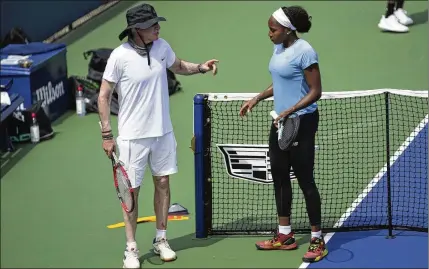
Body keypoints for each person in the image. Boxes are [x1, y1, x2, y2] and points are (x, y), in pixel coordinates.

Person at [97, 3, 218, 268]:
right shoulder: (119, 56)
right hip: (132, 137)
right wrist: (107, 134)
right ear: (137, 30)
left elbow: (178, 66)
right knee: (132, 192)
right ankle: (131, 248)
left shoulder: (162, 47)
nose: (158, 28)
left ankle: (161, 240)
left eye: (157, 24)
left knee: (162, 183)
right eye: (153, 25)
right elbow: (104, 96)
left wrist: (200, 67)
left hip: (162, 133)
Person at [239, 6, 327, 263]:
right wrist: (257, 97)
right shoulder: (279, 47)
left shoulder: (305, 51)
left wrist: (291, 109)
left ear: (288, 30)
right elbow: (279, 81)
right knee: (279, 173)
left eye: (273, 29)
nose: (269, 34)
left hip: (302, 120)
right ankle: (285, 235)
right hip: (281, 120)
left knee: (304, 179)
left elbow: (315, 91)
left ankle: (316, 239)